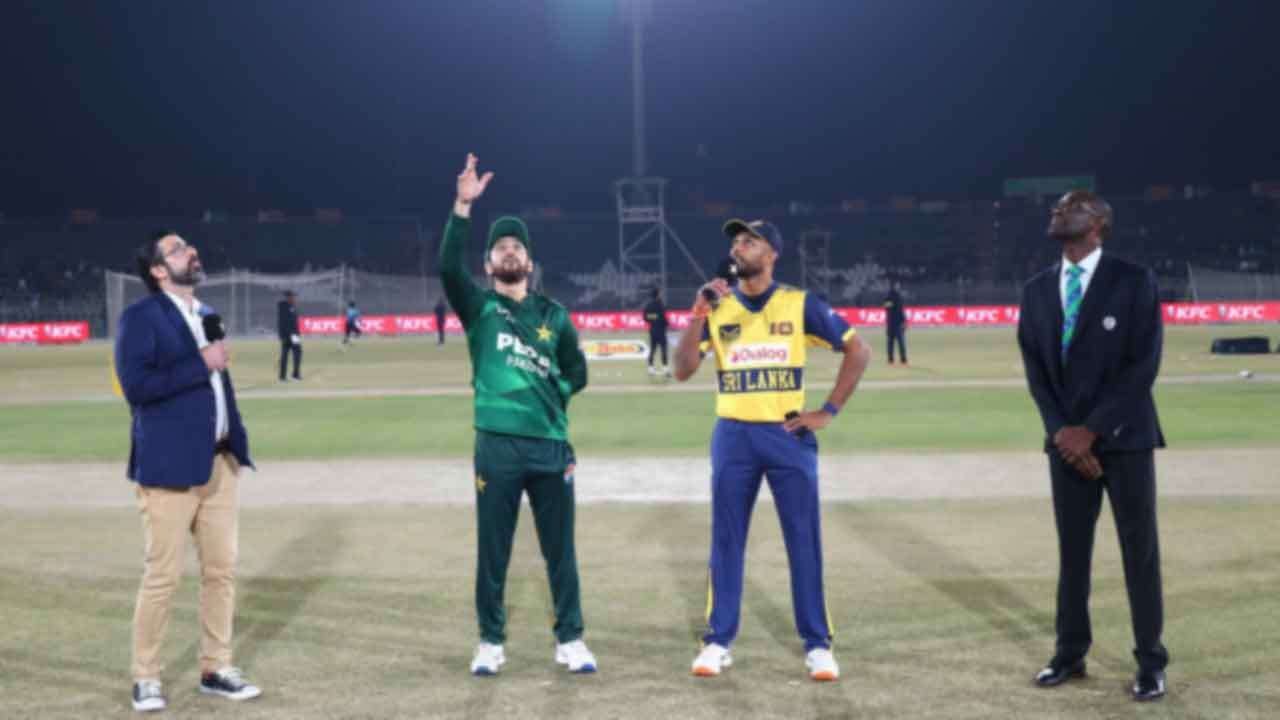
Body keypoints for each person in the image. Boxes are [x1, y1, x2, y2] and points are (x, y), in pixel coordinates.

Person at [672, 218, 871, 681]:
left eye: (750, 241)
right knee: (727, 540)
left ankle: (818, 645)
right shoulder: (718, 306)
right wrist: (698, 314)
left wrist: (828, 411)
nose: (738, 248)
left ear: (772, 254)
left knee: (803, 541)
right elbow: (682, 370)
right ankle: (718, 641)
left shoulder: (799, 304)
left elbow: (858, 350)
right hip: (734, 436)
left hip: (787, 436)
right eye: (736, 242)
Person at [440, 154, 596, 676]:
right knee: (494, 549)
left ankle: (571, 639)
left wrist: (555, 394)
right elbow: (447, 267)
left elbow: (578, 372)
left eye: (518, 247)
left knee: (560, 550)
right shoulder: (479, 308)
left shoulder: (556, 317)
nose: (510, 251)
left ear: (530, 263)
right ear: (488, 265)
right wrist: (462, 206)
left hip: (550, 445)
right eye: (501, 247)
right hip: (496, 444)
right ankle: (490, 641)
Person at [1017, 190, 1169, 702]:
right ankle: (1069, 654)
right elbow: (1037, 372)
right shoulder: (1037, 290)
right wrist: (1062, 431)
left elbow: (1143, 365)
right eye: (1056, 207)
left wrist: (1092, 430)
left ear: (1099, 222)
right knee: (1073, 554)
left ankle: (1150, 662)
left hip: (1124, 440)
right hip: (1066, 445)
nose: (1057, 211)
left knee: (1139, 554)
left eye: (1072, 206)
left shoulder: (1133, 280)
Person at [114, 230, 262, 712]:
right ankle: (146, 676)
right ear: (158, 270)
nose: (191, 251)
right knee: (163, 577)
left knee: (221, 573)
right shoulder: (141, 317)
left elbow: (220, 387)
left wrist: (235, 442)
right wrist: (201, 362)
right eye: (177, 250)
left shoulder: (207, 315)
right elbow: (137, 387)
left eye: (189, 246)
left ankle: (216, 667)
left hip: (219, 464)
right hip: (168, 469)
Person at [642, 287, 670, 376]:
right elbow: (663, 317)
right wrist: (667, 324)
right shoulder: (660, 304)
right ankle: (665, 369)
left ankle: (650, 369)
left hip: (652, 330)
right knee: (664, 349)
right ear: (657, 294)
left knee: (652, 350)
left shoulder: (648, 305)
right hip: (661, 330)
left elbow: (645, 317)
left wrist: (653, 319)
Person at [276, 290, 301, 381]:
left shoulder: (292, 307)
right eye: (293, 297)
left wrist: (297, 333)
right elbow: (283, 323)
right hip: (287, 335)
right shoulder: (283, 306)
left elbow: (294, 322)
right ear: (288, 297)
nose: (294, 298)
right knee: (285, 355)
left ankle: (295, 375)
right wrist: (282, 335)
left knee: (297, 354)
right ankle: (282, 376)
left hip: (294, 335)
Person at [883, 280, 908, 365]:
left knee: (891, 342)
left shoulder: (888, 297)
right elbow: (900, 310)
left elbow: (887, 308)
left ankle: (890, 359)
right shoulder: (897, 297)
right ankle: (903, 359)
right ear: (894, 286)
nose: (898, 287)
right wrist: (904, 321)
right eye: (897, 285)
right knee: (900, 342)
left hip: (891, 323)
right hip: (897, 323)